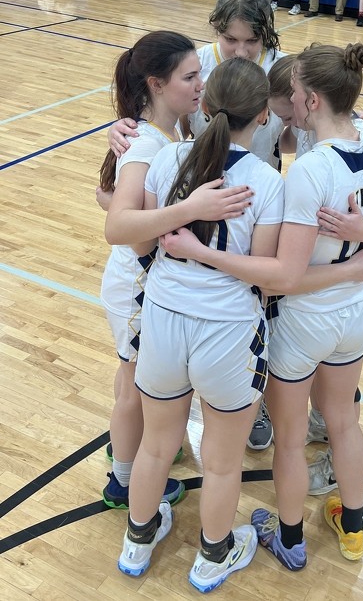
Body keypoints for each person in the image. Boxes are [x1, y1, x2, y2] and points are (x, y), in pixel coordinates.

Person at [161, 42, 363, 571]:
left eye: (291, 95)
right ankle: (354, 531)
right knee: (344, 424)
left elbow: (284, 278)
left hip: (307, 320)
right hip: (357, 316)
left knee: (288, 441)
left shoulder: (309, 173)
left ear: (308, 100)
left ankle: (289, 538)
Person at [107, 56, 363, 588]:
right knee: (223, 461)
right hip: (228, 332)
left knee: (157, 447)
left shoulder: (166, 160)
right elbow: (273, 277)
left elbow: (140, 237)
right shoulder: (266, 181)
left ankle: (137, 542)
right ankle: (213, 554)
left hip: (161, 321)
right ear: (263, 120)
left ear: (204, 106)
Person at [98, 31, 252, 515]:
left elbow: (108, 195)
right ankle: (123, 481)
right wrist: (189, 208)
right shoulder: (145, 143)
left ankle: (133, 457)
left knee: (134, 383)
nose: (200, 84)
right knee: (130, 387)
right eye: (190, 77)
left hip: (146, 281)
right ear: (156, 84)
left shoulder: (172, 132)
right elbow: (119, 224)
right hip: (134, 283)